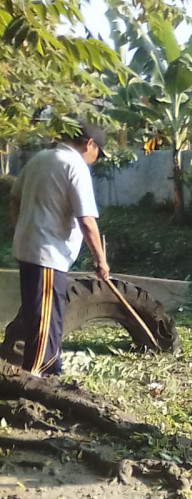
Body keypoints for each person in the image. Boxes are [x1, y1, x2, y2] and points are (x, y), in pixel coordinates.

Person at [10, 122, 110, 377]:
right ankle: (34, 382)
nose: (96, 158)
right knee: (44, 325)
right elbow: (86, 220)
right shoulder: (74, 165)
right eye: (98, 151)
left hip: (30, 248)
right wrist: (101, 260)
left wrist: (23, 226)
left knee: (47, 318)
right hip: (47, 255)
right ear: (90, 143)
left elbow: (14, 197)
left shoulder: (40, 158)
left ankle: (52, 373)